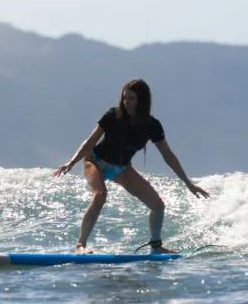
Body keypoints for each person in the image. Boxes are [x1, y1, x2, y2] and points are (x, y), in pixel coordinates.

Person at [52, 78, 210, 254]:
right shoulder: (112, 116)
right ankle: (81, 245)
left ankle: (156, 247)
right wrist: (72, 162)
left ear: (141, 101)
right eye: (125, 98)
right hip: (95, 160)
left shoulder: (152, 125)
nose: (126, 102)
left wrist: (188, 183)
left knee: (158, 206)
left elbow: (168, 155)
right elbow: (90, 141)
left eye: (131, 99)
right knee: (100, 195)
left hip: (121, 168)